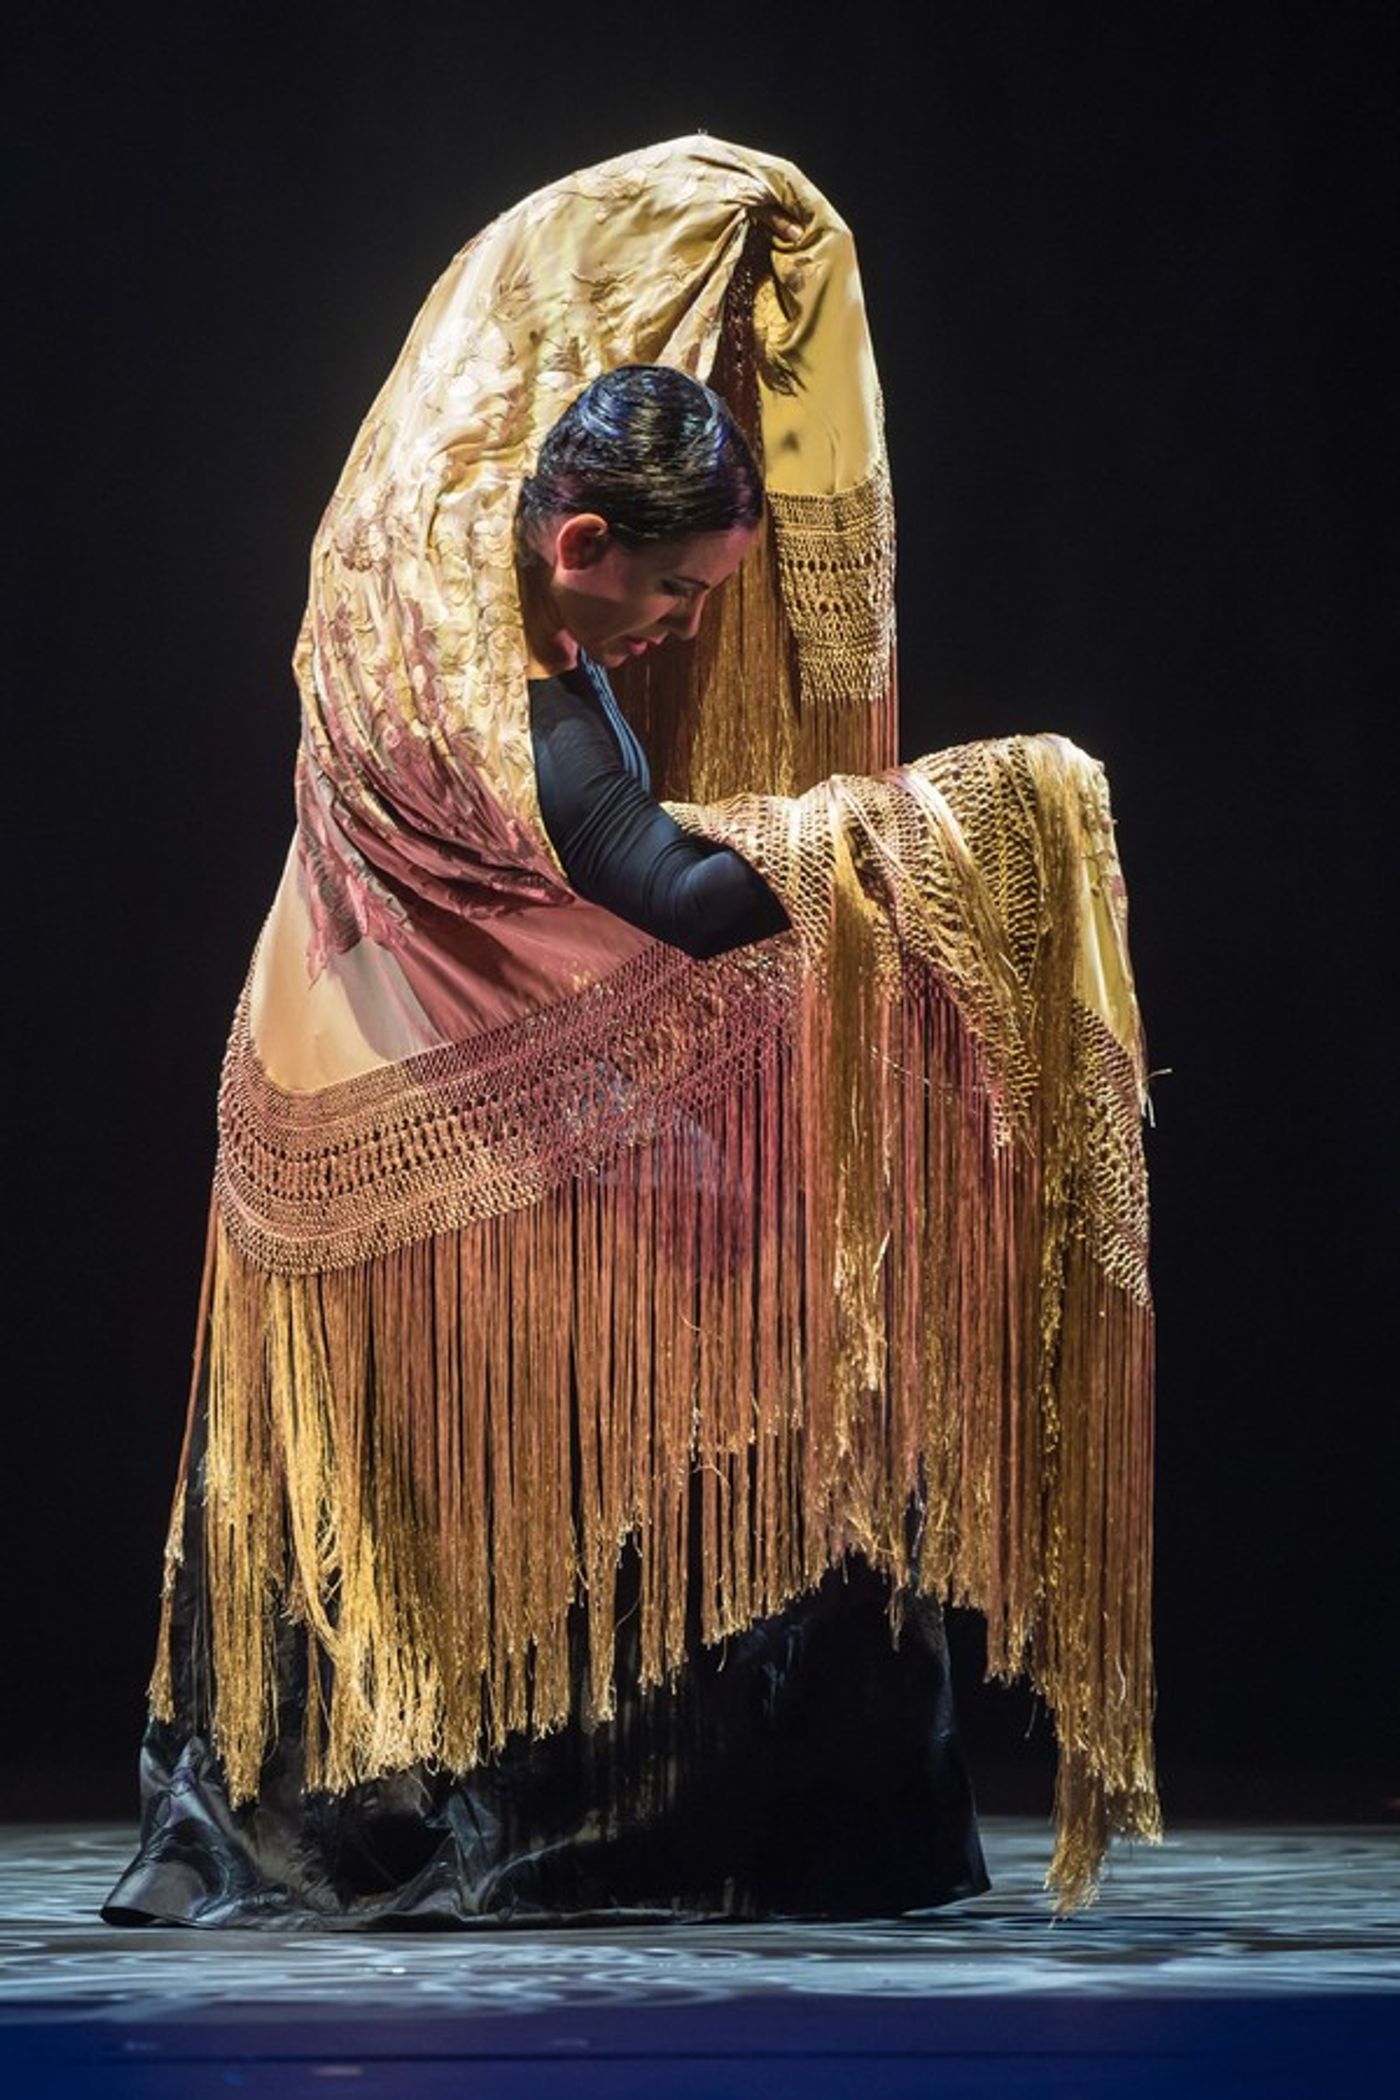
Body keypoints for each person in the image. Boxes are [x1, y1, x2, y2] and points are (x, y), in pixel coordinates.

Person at [102, 137, 1159, 1929]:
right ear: (582, 542)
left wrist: (762, 223)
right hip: (405, 1097)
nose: (686, 630)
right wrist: (954, 826)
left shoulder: (433, 512)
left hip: (321, 1040)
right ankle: (638, 1797)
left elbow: (522, 280)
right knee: (780, 1304)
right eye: (676, 595)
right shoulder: (524, 718)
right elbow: (678, 894)